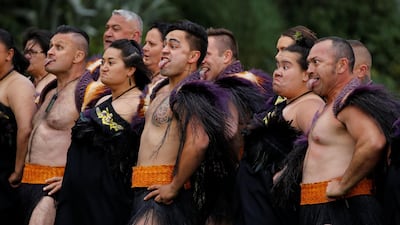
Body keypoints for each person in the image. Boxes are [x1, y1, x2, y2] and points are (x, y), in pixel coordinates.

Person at [128, 20, 239, 225]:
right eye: (165, 44)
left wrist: (173, 187)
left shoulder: (192, 92)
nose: (165, 50)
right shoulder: (161, 89)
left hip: (164, 195)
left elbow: (199, 141)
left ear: (193, 56)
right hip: (143, 190)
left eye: (174, 46)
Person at [301, 36, 400, 224]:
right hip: (321, 208)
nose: (310, 70)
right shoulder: (331, 105)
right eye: (308, 63)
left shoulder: (349, 102)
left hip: (339, 209)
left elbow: (373, 141)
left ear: (341, 66)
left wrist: (343, 185)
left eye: (316, 62)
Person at [55, 39, 151, 225]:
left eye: (111, 63)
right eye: (103, 62)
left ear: (131, 69)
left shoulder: (139, 104)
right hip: (74, 194)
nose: (103, 68)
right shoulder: (102, 99)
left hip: (106, 198)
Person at [234, 28, 323, 225]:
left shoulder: (309, 105)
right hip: (252, 202)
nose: (276, 72)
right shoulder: (284, 102)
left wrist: (287, 171)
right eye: (277, 65)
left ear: (307, 74)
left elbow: (319, 144)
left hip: (273, 209)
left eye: (285, 66)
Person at [19, 25, 89, 225]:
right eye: (50, 46)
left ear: (77, 56)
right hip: (28, 181)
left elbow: (98, 145)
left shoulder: (89, 91)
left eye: (59, 47)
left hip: (53, 187)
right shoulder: (49, 90)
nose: (50, 52)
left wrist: (71, 177)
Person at [0, 28, 36, 225]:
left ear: (9, 54)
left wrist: (17, 170)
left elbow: (25, 129)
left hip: (6, 174)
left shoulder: (19, 84)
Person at [78, 9, 143, 112]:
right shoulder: (94, 62)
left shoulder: (144, 69)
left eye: (116, 29)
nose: (108, 33)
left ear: (134, 36)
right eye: (107, 28)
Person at [22, 28, 56, 103]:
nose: (27, 56)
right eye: (25, 52)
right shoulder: (24, 82)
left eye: (32, 52)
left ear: (48, 54)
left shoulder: (57, 84)